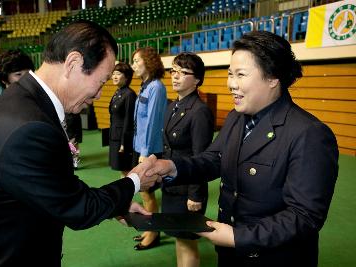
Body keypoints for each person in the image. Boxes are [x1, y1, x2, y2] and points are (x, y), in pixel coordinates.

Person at [0, 21, 159, 267]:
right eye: (102, 82)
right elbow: (79, 208)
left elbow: (54, 187)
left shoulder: (20, 101)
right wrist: (135, 180)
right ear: (73, 64)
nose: (98, 95)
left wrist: (114, 205)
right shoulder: (30, 127)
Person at [145, 31, 339, 267]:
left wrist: (238, 236)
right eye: (229, 73)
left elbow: (304, 217)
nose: (230, 83)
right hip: (230, 253)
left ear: (273, 78)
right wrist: (171, 167)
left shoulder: (310, 134)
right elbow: (213, 159)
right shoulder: (237, 118)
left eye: (240, 74)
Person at [163, 52, 214, 267]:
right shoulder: (172, 106)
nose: (176, 76)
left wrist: (195, 195)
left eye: (183, 73)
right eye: (174, 71)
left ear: (197, 80)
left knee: (187, 242)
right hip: (172, 186)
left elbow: (201, 158)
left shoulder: (199, 111)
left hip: (187, 192)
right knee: (179, 236)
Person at [131, 47, 167, 250]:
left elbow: (153, 122)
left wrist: (144, 153)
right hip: (140, 147)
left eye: (137, 61)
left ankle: (153, 233)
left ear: (149, 62)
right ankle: (149, 229)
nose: (134, 65)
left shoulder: (156, 87)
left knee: (147, 194)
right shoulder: (145, 86)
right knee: (145, 193)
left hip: (149, 150)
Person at [109, 62, 137, 177]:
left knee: (125, 169)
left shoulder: (129, 94)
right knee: (121, 169)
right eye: (113, 73)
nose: (114, 76)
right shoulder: (118, 92)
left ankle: (125, 193)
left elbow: (128, 120)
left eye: (118, 74)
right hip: (115, 136)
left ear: (126, 77)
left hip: (122, 138)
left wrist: (124, 143)